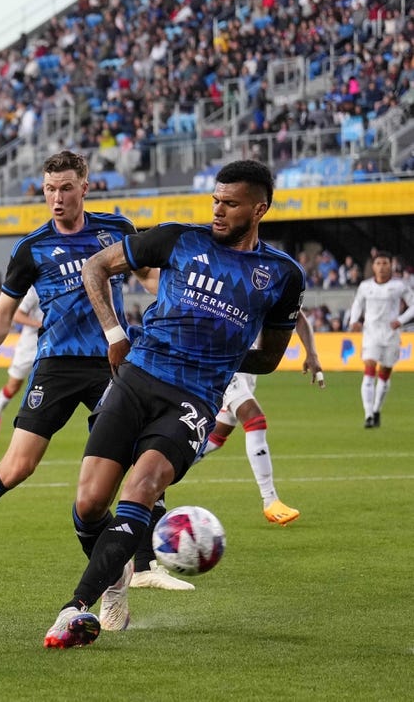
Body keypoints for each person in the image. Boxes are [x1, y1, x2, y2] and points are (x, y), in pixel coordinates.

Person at [43, 159, 306, 649]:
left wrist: (218, 359)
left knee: (143, 486)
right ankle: (116, 581)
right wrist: (114, 332)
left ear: (260, 208)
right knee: (89, 503)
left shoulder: (282, 275)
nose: (219, 211)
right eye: (216, 200)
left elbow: (269, 358)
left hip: (194, 400)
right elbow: (96, 267)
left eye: (231, 203)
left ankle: (73, 610)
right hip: (137, 377)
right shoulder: (178, 239)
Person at [0, 150, 170, 586]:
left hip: (111, 363)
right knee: (17, 467)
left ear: (84, 188)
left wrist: (179, 299)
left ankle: (146, 566)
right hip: (55, 365)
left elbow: (149, 277)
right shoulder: (31, 248)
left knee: (137, 453)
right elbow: (2, 311)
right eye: (50, 189)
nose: (56, 197)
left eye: (66, 188)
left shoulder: (115, 230)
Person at [190, 312, 324, 530]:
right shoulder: (230, 282)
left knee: (214, 437)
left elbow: (297, 316)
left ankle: (157, 471)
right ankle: (270, 500)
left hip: (247, 367)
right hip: (220, 360)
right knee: (255, 419)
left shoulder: (273, 283)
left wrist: (312, 353)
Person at [348, 251, 414, 428]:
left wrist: (400, 320)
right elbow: (357, 304)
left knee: (384, 375)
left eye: (385, 263)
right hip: (371, 334)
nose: (382, 267)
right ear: (373, 266)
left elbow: (413, 304)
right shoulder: (365, 286)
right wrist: (354, 321)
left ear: (391, 265)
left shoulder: (399, 286)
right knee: (369, 371)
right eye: (379, 263)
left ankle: (377, 410)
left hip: (391, 335)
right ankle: (368, 414)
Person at [0, 287, 40, 438]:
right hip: (30, 345)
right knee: (14, 385)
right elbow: (17, 315)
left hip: (55, 343)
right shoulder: (34, 291)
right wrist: (40, 324)